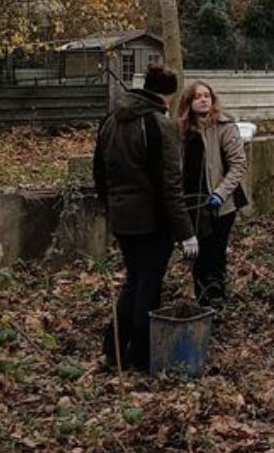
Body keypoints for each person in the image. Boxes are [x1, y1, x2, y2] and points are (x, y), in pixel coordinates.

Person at [93, 64, 197, 371]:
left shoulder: (111, 120)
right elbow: (170, 186)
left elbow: (99, 172)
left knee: (133, 281)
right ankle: (139, 358)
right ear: (168, 93)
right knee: (147, 287)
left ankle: (113, 351)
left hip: (121, 219)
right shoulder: (159, 124)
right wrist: (185, 232)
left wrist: (111, 208)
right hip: (152, 221)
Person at [176, 81, 249, 310]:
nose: (203, 100)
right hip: (191, 202)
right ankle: (202, 300)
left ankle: (216, 302)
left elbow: (238, 165)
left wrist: (220, 192)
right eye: (197, 96)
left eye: (207, 95)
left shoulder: (224, 126)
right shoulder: (181, 131)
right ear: (189, 102)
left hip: (220, 203)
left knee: (215, 254)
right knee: (197, 254)